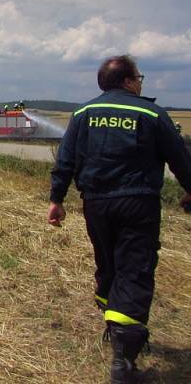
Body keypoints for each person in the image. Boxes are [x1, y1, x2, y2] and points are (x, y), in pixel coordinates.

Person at [48, 55, 191, 383]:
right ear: (128, 81)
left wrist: (56, 199)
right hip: (137, 203)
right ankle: (123, 365)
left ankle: (116, 329)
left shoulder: (83, 114)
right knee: (135, 268)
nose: (141, 82)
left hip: (95, 204)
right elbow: (180, 158)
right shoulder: (152, 113)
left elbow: (66, 159)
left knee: (109, 265)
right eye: (139, 77)